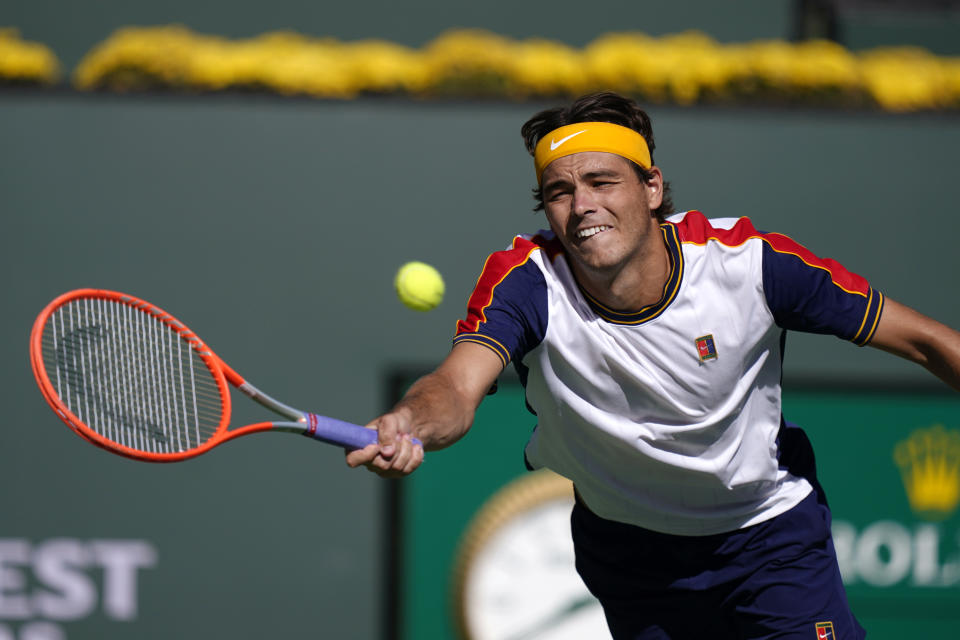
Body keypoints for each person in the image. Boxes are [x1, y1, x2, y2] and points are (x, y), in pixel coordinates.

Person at [346, 91, 960, 639]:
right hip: (633, 557)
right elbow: (456, 385)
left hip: (768, 536)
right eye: (560, 192)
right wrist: (409, 421)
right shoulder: (526, 282)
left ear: (652, 188)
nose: (581, 205)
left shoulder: (751, 264)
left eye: (602, 181)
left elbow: (927, 343)